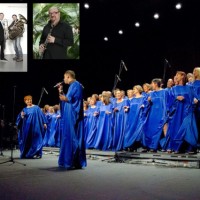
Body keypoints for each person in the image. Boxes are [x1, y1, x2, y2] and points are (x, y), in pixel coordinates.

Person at [58, 70, 87, 169]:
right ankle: (72, 161)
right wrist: (61, 91)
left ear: (68, 77)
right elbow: (68, 98)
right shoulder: (74, 85)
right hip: (70, 113)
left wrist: (62, 96)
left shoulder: (75, 85)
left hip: (72, 114)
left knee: (72, 137)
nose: (64, 79)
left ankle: (71, 161)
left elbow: (67, 99)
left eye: (64, 77)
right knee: (70, 137)